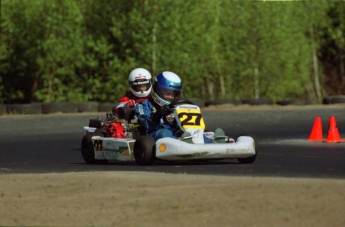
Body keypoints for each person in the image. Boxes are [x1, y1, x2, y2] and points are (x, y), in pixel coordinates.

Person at [134, 71, 226, 143]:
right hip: (154, 134)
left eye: (174, 94)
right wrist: (157, 115)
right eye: (167, 93)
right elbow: (144, 122)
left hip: (180, 133)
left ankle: (211, 142)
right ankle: (185, 142)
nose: (171, 97)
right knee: (164, 133)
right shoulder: (143, 105)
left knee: (198, 134)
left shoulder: (178, 106)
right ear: (157, 90)